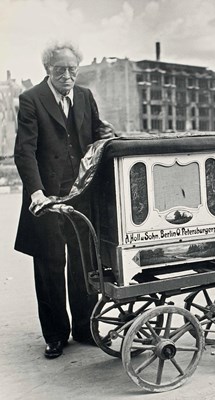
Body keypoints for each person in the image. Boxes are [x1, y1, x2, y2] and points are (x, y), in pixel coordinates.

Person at [14, 41, 115, 358]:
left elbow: (97, 133)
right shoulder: (31, 100)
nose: (68, 75)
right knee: (50, 267)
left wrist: (111, 136)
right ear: (48, 69)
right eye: (61, 70)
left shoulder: (84, 96)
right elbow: (25, 151)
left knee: (84, 264)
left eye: (73, 69)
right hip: (46, 200)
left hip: (81, 196)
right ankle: (56, 334)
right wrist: (37, 194)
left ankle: (85, 328)